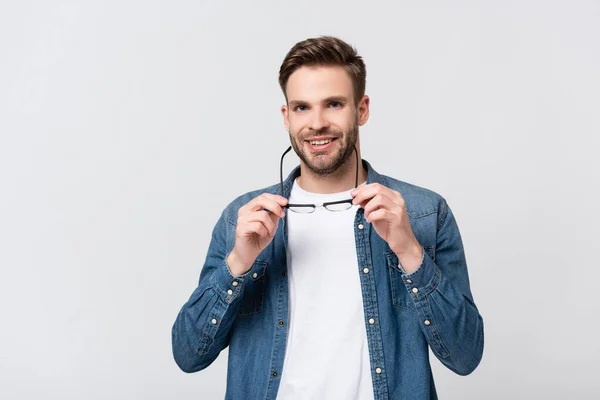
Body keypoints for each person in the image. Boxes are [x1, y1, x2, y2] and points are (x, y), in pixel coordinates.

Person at [172, 36, 484, 399]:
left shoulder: (423, 213)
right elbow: (188, 355)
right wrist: (239, 263)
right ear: (286, 116)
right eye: (302, 108)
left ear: (362, 109)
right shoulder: (242, 220)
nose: (316, 123)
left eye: (333, 104)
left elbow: (466, 356)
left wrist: (410, 253)